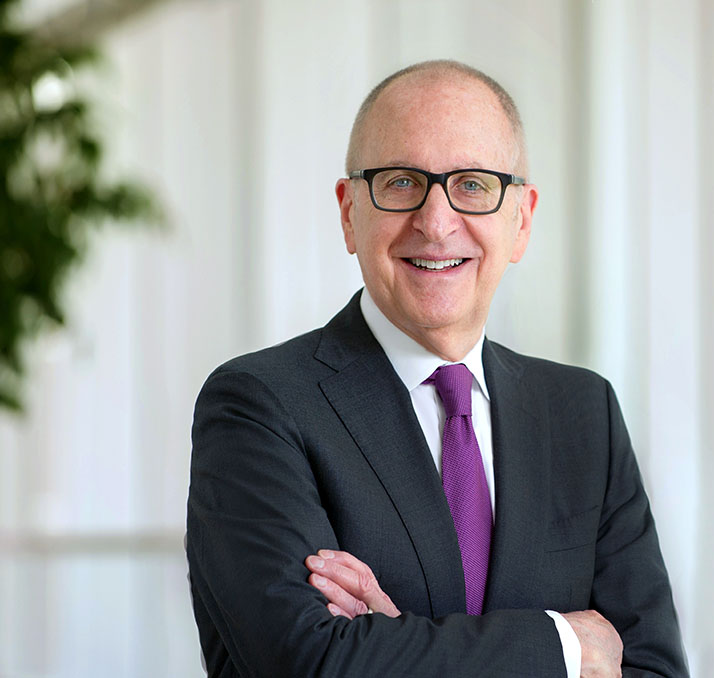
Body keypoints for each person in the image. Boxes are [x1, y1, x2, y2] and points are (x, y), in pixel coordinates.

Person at [187, 60, 688, 678]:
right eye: (400, 181)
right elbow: (310, 664)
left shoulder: (584, 413)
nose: (435, 220)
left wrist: (391, 646)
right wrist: (564, 645)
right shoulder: (258, 406)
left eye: (473, 184)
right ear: (349, 213)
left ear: (522, 220)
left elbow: (654, 670)